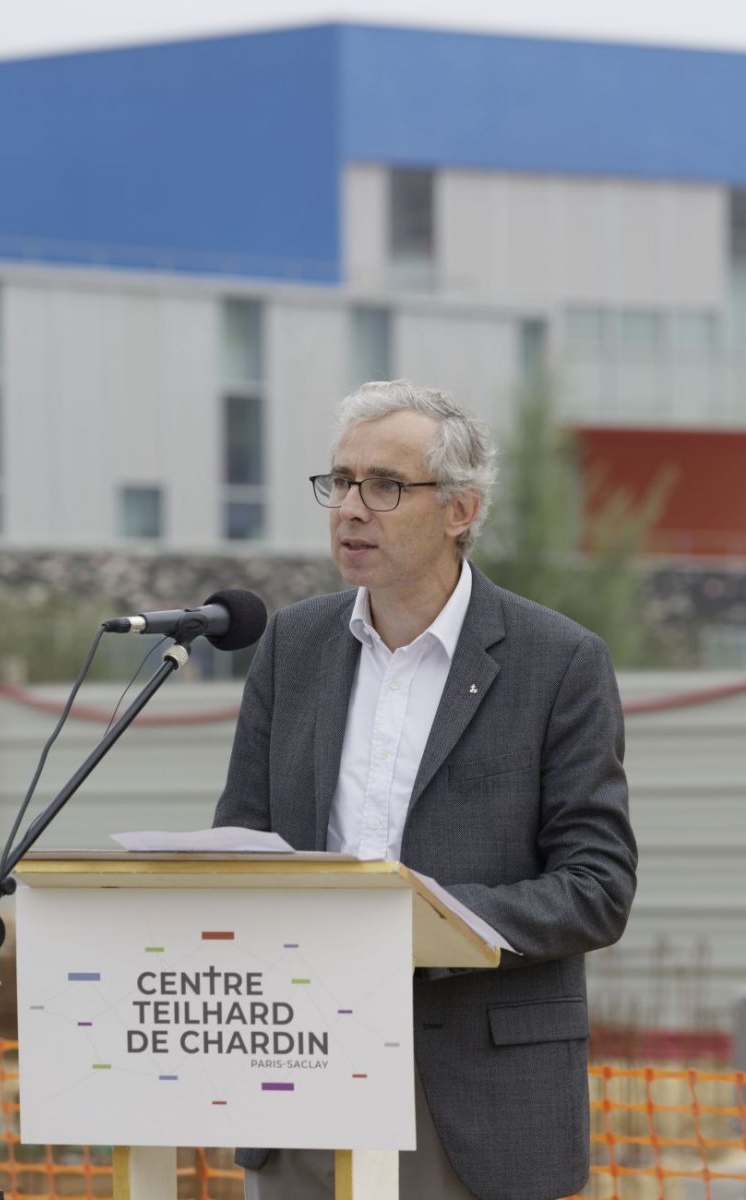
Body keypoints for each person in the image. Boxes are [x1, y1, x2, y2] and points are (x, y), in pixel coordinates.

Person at [213, 379, 637, 1200]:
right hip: (299, 1063)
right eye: (339, 482)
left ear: (460, 510)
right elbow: (245, 842)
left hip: (476, 1093)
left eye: (384, 485)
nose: (350, 509)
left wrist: (423, 922)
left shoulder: (558, 662)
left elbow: (597, 888)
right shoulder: (292, 648)